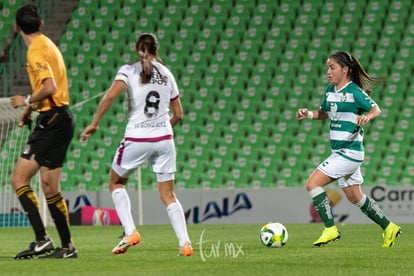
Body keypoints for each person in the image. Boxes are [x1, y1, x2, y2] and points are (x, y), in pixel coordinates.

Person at [81, 33, 193, 256]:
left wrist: (95, 123)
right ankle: (185, 244)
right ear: (156, 50)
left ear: (137, 50)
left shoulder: (129, 70)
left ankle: (130, 231)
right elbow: (179, 114)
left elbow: (110, 96)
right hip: (165, 139)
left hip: (137, 137)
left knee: (116, 182)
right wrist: (162, 130)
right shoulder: (167, 74)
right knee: (168, 195)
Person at [296, 51, 401, 247]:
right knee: (355, 197)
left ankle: (330, 229)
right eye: (328, 67)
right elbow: (325, 113)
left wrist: (367, 117)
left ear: (345, 69)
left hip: (349, 152)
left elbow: (375, 108)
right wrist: (308, 113)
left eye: (332, 67)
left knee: (312, 184)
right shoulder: (330, 90)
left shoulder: (354, 92)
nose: (328, 71)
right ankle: (389, 227)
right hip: (340, 152)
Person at [10, 4, 77, 259]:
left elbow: (48, 87)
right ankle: (68, 247)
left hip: (52, 120)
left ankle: (42, 239)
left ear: (17, 28)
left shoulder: (34, 52)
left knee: (19, 180)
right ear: (41, 24)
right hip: (59, 118)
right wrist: (29, 112)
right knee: (49, 186)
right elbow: (53, 88)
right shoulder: (48, 44)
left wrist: (26, 102)